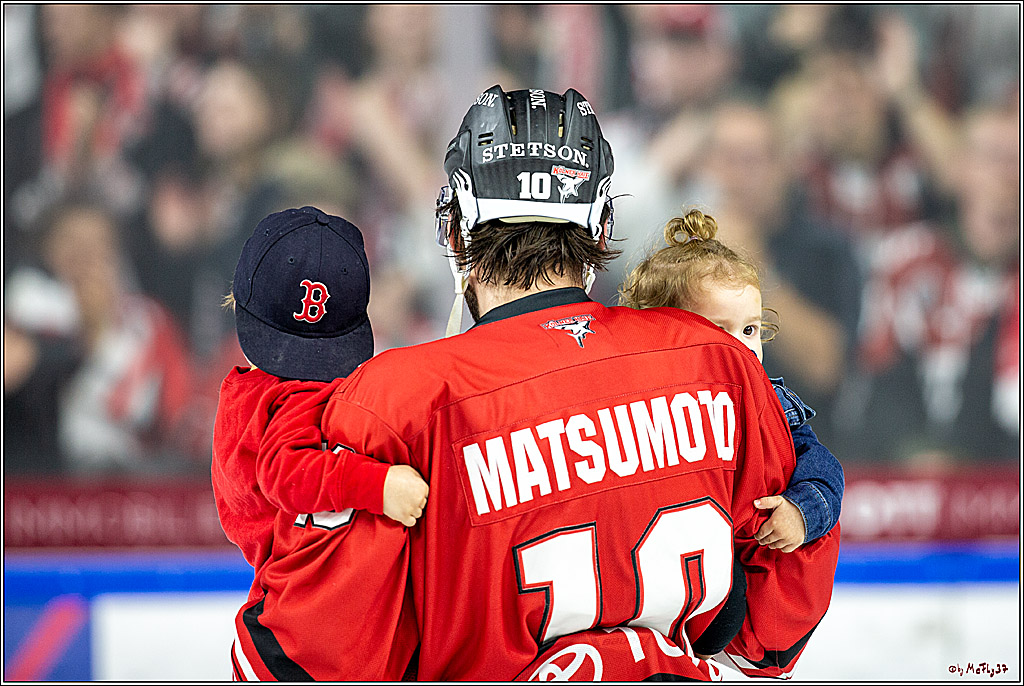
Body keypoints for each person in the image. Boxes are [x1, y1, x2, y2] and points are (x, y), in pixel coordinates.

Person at [309, 86, 839, 680]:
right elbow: (773, 622)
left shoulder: (392, 399)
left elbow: (317, 654)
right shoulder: (717, 360)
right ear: (600, 223)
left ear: (455, 228)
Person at [210, 206, 428, 680]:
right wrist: (380, 484)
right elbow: (284, 472)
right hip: (297, 642)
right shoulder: (295, 397)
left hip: (278, 633)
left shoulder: (241, 391)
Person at [619, 208, 844, 554]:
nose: (743, 348)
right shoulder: (633, 406)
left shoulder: (773, 405)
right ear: (659, 336)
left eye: (750, 330)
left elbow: (822, 467)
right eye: (719, 331)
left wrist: (801, 511)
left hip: (740, 568)